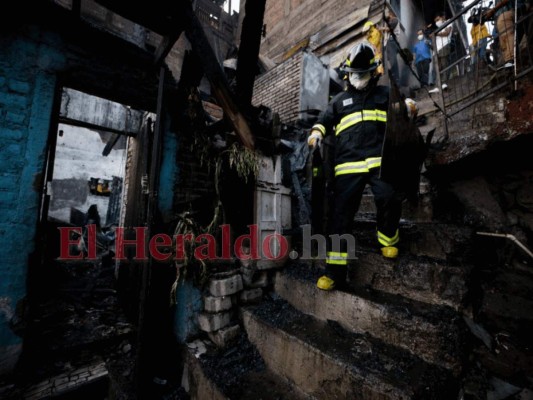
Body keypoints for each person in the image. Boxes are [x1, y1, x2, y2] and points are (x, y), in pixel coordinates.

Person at [307, 42, 403, 291]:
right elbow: (323, 121)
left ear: (374, 72)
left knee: (390, 197)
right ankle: (334, 273)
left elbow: (400, 112)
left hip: (379, 162)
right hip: (347, 166)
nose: (359, 78)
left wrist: (408, 108)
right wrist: (316, 133)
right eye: (355, 74)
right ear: (347, 73)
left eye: (363, 73)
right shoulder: (339, 101)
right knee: (339, 218)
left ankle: (387, 238)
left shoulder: (384, 95)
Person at [491, 0, 527, 68]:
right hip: (503, 15)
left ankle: (510, 59)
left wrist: (492, 10)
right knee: (502, 42)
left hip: (515, 9)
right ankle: (507, 61)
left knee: (504, 25)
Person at [434, 12, 453, 85]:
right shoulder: (439, 28)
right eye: (435, 21)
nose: (437, 22)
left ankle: (445, 82)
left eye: (438, 19)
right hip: (438, 48)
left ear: (443, 17)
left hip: (444, 45)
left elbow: (447, 33)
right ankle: (439, 83)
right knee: (438, 66)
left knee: (445, 64)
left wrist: (436, 34)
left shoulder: (448, 22)